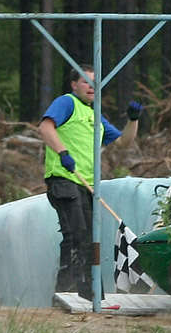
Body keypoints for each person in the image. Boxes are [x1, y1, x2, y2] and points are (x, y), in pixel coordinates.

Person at [38, 65, 142, 301]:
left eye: (95, 83)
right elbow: (45, 127)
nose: (92, 86)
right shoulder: (67, 103)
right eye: (86, 81)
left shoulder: (95, 116)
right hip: (64, 179)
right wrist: (62, 152)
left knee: (88, 239)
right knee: (77, 236)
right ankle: (73, 294)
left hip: (87, 186)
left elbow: (123, 142)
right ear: (74, 84)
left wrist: (133, 120)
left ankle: (84, 294)